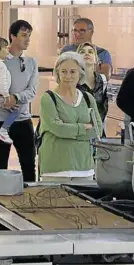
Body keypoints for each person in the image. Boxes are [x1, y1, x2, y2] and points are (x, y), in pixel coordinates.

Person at [0, 20, 38, 182]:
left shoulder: (31, 63)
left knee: (29, 165)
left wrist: (15, 98)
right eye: (24, 35)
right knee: (0, 165)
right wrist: (0, 101)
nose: (27, 39)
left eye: (29, 36)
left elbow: (32, 91)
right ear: (13, 36)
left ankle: (31, 202)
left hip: (23, 120)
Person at [38, 52, 102, 181]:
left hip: (84, 168)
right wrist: (84, 128)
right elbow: (57, 128)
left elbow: (98, 129)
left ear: (80, 74)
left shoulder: (88, 98)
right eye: (64, 72)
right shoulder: (48, 98)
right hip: (55, 169)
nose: (68, 76)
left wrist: (69, 130)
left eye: (73, 72)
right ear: (57, 73)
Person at [77, 42, 108, 135]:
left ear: (96, 59)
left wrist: (96, 124)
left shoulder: (102, 80)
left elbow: (104, 107)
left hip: (98, 131)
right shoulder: (73, 81)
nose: (87, 54)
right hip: (79, 132)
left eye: (90, 52)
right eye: (82, 52)